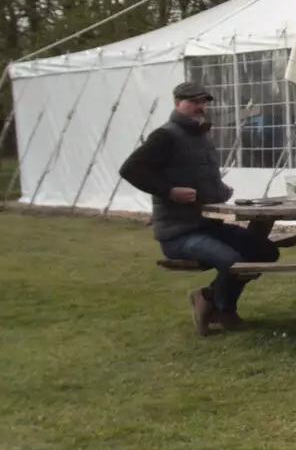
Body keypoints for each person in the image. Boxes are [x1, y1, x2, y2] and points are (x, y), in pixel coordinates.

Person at [120, 82, 280, 335]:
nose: (199, 107)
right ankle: (224, 310)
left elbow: (195, 175)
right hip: (179, 233)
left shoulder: (200, 135)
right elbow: (130, 170)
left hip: (209, 225)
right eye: (193, 101)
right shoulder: (165, 136)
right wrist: (169, 191)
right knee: (234, 263)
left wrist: (219, 189)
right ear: (177, 103)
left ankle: (206, 297)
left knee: (265, 251)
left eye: (203, 102)